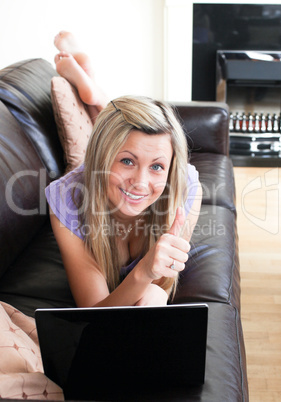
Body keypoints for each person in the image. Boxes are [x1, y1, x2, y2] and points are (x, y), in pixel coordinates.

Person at [46, 31, 202, 308]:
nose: (141, 183)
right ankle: (90, 88)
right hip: (90, 179)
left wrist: (159, 292)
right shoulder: (66, 198)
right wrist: (143, 274)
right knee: (107, 136)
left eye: (157, 166)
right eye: (127, 162)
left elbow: (162, 282)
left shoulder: (185, 185)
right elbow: (94, 313)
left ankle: (90, 86)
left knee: (123, 132)